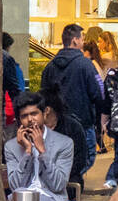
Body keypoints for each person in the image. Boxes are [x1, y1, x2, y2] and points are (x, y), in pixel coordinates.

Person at [40, 23, 106, 170]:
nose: (84, 42)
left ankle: (63, 181)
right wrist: (100, 114)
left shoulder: (50, 67)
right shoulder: (86, 65)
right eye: (82, 38)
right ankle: (72, 181)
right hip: (83, 120)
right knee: (86, 155)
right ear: (75, 40)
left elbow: (43, 94)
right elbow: (98, 92)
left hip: (55, 123)